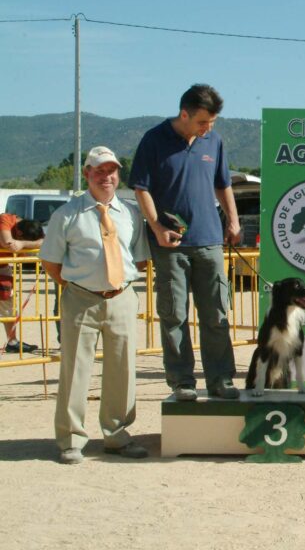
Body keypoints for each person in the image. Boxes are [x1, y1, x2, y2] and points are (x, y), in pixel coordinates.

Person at [129, 84, 241, 401]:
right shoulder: (154, 139)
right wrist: (156, 226)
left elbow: (223, 184)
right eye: (203, 122)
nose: (208, 128)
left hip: (209, 241)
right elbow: (141, 187)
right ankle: (182, 382)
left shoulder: (214, 141)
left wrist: (232, 220)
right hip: (170, 245)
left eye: (212, 123)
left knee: (217, 313)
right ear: (184, 114)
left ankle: (221, 379)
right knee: (174, 314)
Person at [40, 146, 150, 463]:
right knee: (75, 369)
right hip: (80, 299)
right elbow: (51, 262)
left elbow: (139, 260)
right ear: (87, 173)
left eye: (111, 171)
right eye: (99, 171)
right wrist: (78, 285)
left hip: (122, 298)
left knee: (123, 370)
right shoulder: (67, 215)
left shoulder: (131, 213)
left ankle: (117, 436)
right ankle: (71, 440)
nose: (106, 177)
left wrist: (116, 285)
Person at [0, 214, 45, 354]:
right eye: (22, 239)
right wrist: (22, 245)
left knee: (9, 306)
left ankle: (12, 342)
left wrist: (23, 244)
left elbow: (45, 242)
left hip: (3, 268)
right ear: (19, 233)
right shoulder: (6, 219)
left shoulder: (23, 233)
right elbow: (7, 243)